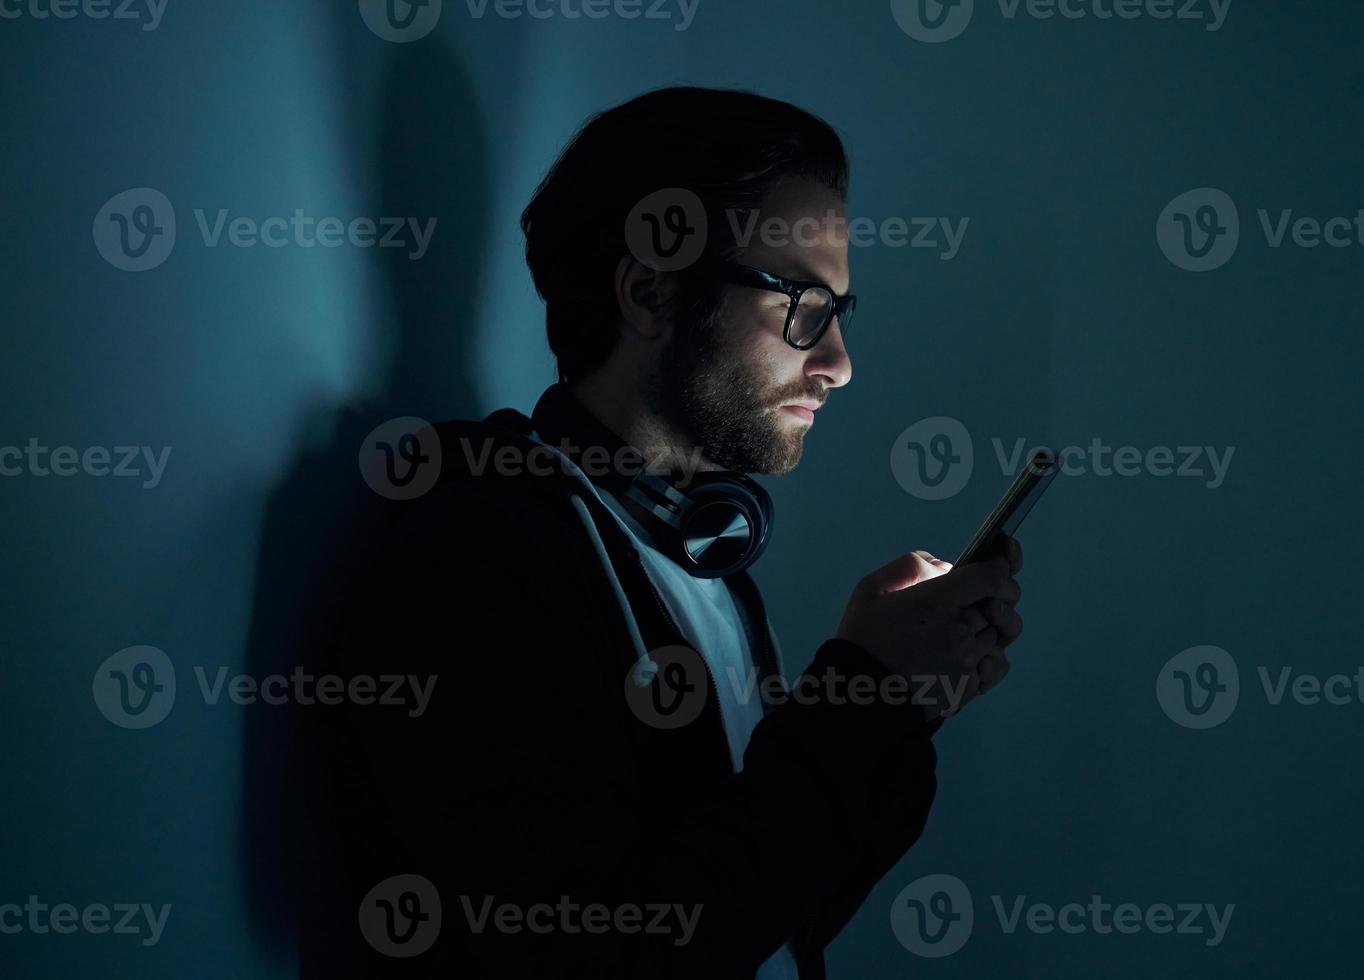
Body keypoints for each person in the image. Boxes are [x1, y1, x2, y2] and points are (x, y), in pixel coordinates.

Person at [310, 85, 1024, 979]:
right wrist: (856, 699)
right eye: (803, 306)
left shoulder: (708, 560)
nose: (840, 364)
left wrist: (901, 709)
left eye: (841, 314)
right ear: (651, 291)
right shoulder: (480, 545)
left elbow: (764, 915)